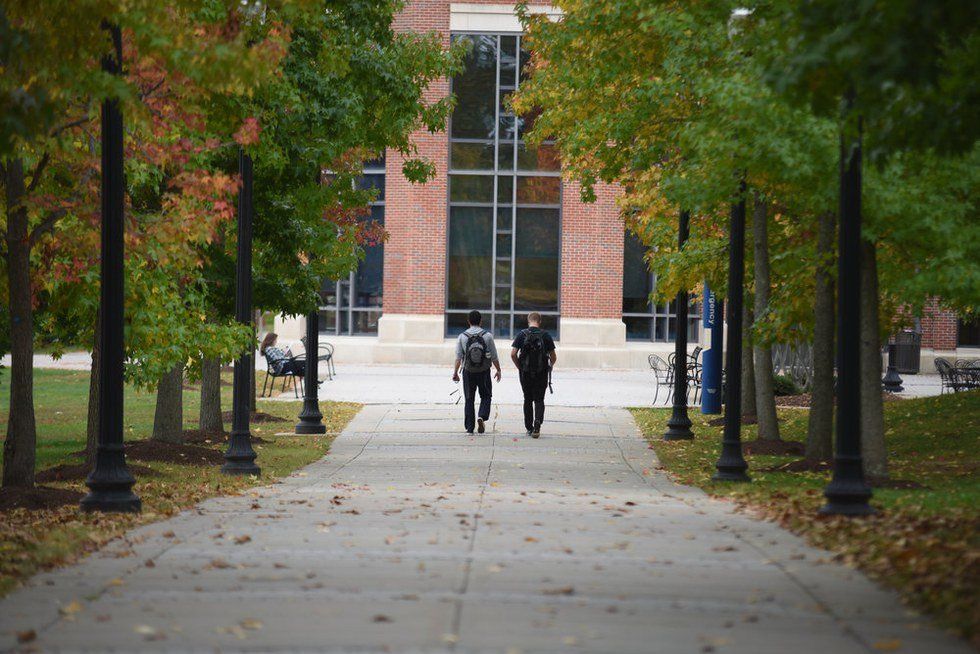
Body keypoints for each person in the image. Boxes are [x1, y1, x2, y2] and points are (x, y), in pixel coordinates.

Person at [453, 310, 502, 434]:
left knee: (469, 398)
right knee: (486, 395)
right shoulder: (487, 336)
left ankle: (470, 427)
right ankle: (482, 416)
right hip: (484, 371)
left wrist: (455, 373)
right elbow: (494, 356)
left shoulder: (462, 336)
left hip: (468, 371)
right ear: (481, 321)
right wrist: (498, 369)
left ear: (468, 321)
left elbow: (458, 357)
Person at [511, 312, 557, 438]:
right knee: (539, 399)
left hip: (525, 373)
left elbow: (513, 354)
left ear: (528, 321)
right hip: (541, 373)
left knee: (527, 399)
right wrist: (548, 367)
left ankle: (529, 427)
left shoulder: (522, 334)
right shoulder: (546, 335)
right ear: (540, 321)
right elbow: (553, 357)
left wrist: (519, 367)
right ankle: (538, 422)